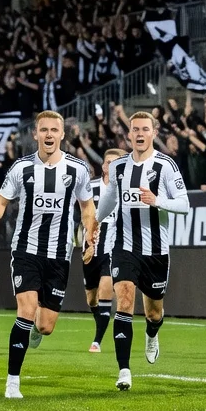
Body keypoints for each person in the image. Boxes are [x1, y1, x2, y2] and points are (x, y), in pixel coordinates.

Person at [0, 111, 97, 399]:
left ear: (62, 135)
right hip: (26, 250)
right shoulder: (21, 168)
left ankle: (35, 331)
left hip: (59, 254)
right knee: (25, 309)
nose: (48, 135)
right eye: (43, 130)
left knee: (45, 326)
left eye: (54, 130)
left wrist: (90, 239)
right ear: (35, 134)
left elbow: (87, 207)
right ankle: (12, 382)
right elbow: (0, 201)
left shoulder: (78, 169)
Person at [95, 111, 192, 391]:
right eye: (134, 129)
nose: (139, 134)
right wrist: (95, 223)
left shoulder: (166, 166)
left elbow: (184, 204)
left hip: (156, 251)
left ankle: (152, 334)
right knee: (124, 301)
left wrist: (157, 200)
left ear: (153, 133)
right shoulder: (119, 167)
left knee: (154, 312)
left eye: (144, 129)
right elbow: (110, 199)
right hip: (124, 245)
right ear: (129, 134)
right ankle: (124, 370)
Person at [83, 149, 124, 353]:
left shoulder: (124, 191)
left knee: (105, 288)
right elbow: (82, 215)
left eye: (115, 163)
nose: (110, 166)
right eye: (108, 162)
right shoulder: (90, 188)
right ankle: (100, 320)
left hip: (112, 248)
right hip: (90, 248)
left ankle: (97, 340)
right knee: (91, 298)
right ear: (103, 166)